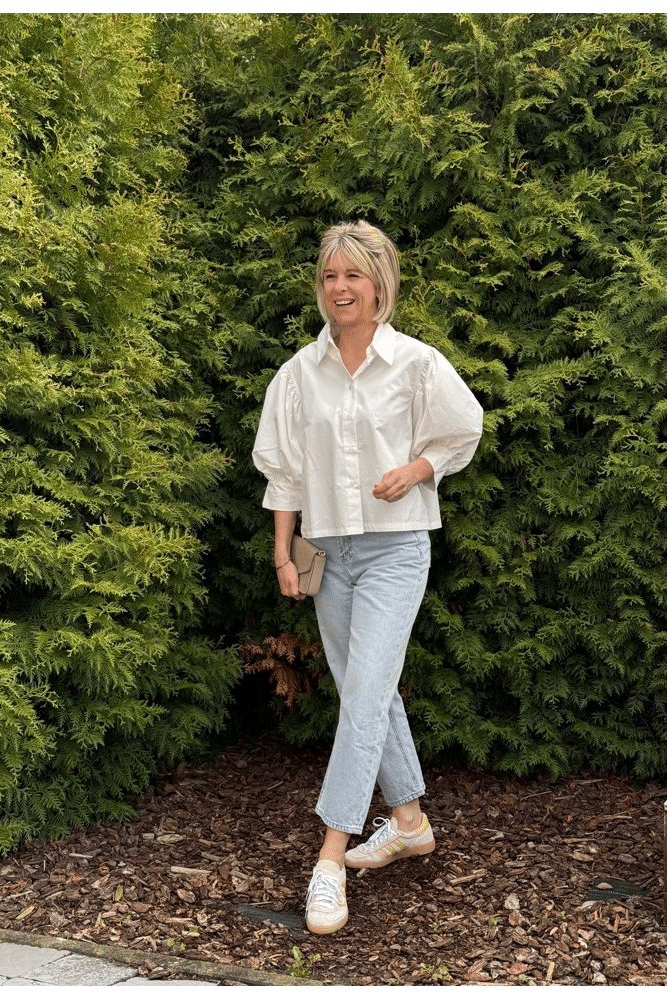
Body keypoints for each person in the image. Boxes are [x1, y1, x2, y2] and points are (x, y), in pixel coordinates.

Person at [252, 220, 483, 935]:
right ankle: (409, 821)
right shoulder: (299, 374)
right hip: (329, 554)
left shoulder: (416, 364)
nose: (340, 287)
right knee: (366, 691)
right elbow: (285, 474)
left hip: (395, 551)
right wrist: (284, 553)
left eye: (353, 275)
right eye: (330, 276)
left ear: (380, 284)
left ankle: (330, 857)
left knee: (361, 699)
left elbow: (463, 430)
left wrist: (417, 469)